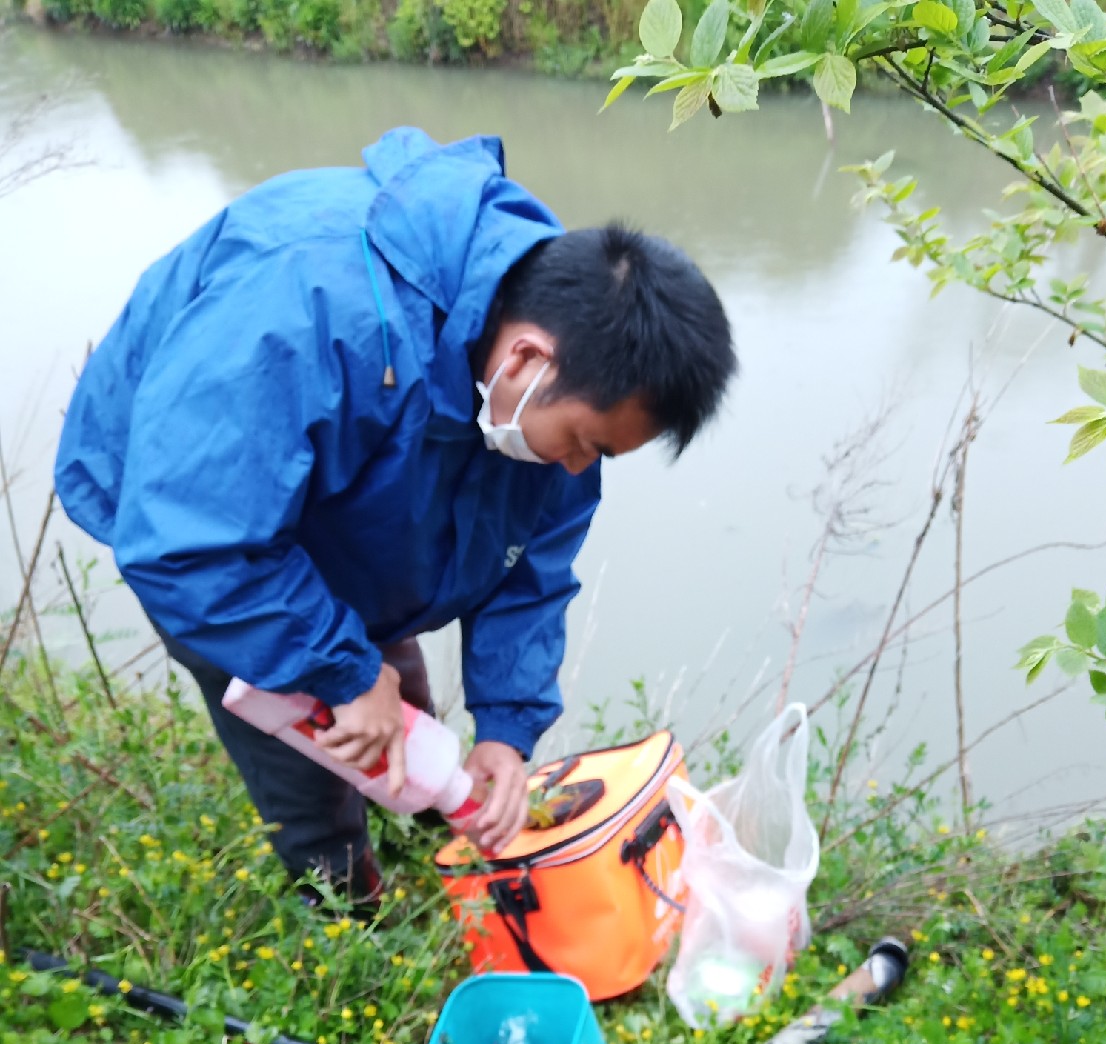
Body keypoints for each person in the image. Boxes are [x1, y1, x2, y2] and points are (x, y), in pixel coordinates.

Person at [55, 126, 735, 906]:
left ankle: (428, 826)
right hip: (194, 500)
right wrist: (340, 671)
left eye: (603, 454)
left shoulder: (553, 378)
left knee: (392, 701)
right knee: (312, 732)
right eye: (582, 442)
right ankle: (346, 901)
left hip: (340, 475)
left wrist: (508, 734)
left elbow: (531, 566)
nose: (581, 469)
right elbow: (191, 541)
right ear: (524, 362)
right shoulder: (311, 305)